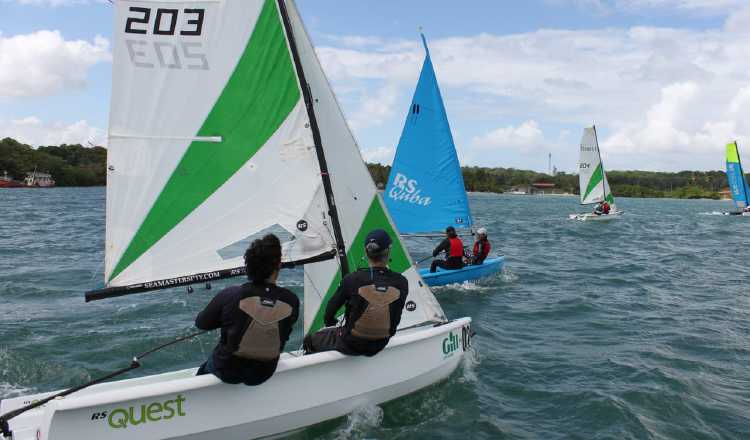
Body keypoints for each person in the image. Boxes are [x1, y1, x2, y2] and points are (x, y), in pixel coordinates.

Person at [195, 234, 299, 385]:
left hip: (228, 371)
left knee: (203, 371)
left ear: (248, 266)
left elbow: (201, 323)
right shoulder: (291, 300)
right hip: (264, 373)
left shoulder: (230, 294)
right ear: (278, 266)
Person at [303, 229, 408, 357]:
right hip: (382, 343)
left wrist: (330, 322)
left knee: (309, 341)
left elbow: (330, 311)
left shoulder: (351, 279)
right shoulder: (402, 282)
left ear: (366, 251)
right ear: (389, 250)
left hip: (352, 344)